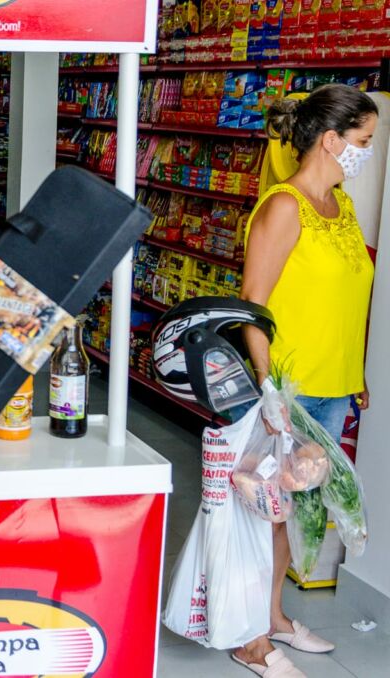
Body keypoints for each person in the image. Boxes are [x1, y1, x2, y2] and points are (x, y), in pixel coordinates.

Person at [233, 84, 378, 677]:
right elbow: (252, 306)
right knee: (262, 511)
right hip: (288, 392)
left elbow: (339, 301)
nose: (367, 152)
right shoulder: (284, 206)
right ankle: (248, 637)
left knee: (294, 513)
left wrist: (356, 371)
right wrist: (269, 391)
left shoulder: (339, 207)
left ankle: (273, 619)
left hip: (332, 386)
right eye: (363, 141)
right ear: (330, 139)